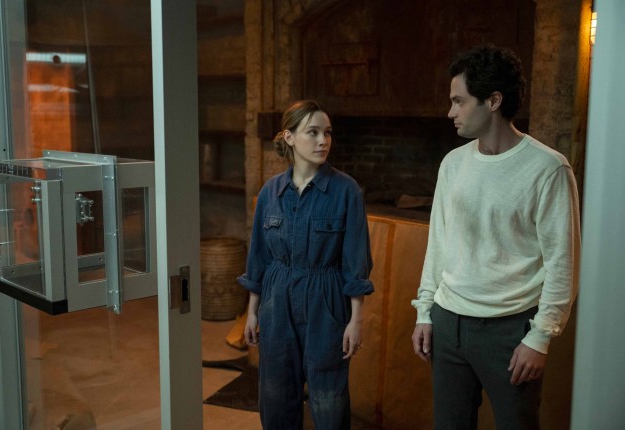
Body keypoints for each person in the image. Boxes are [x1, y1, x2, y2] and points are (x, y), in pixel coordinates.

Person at [411, 44, 581, 429]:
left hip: (510, 330)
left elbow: (563, 263)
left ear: (493, 101)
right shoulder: (453, 164)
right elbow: (438, 244)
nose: (450, 112)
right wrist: (425, 311)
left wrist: (540, 337)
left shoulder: (549, 168)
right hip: (448, 322)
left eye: (459, 101)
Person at [238, 100, 374, 430]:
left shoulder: (346, 191)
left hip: (326, 299)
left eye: (327, 133)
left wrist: (355, 320)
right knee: (276, 393)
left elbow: (356, 262)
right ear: (289, 137)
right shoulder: (271, 192)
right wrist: (252, 312)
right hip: (277, 299)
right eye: (312, 132)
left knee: (329, 398)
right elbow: (259, 257)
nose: (323, 141)